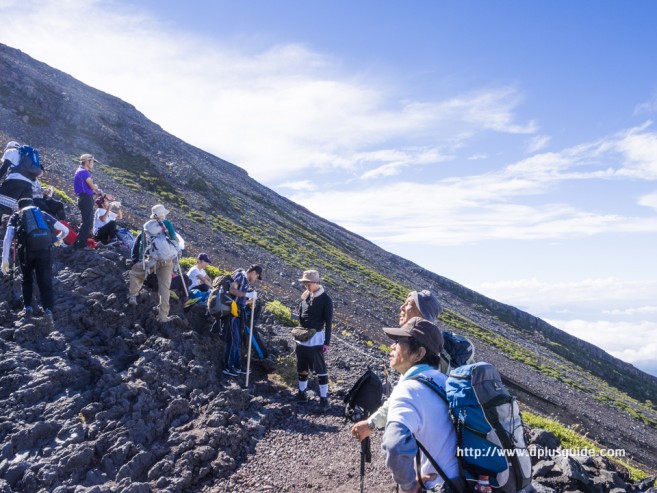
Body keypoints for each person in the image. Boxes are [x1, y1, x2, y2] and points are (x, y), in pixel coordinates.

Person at [380, 317, 460, 493]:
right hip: (461, 483)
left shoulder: (408, 390)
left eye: (399, 341)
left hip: (436, 486)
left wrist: (409, 486)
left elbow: (394, 446)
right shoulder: (447, 382)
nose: (392, 346)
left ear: (419, 354)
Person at [351, 290, 442, 441]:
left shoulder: (429, 355)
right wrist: (372, 423)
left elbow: (404, 397)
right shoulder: (428, 348)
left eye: (409, 304)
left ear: (423, 314)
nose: (402, 307)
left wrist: (372, 424)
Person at [1, 198, 69, 327]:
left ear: (19, 207)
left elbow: (8, 237)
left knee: (27, 279)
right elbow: (65, 230)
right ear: (32, 205)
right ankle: (48, 310)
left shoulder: (16, 216)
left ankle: (27, 308)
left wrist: (4, 260)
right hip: (45, 250)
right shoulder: (42, 213)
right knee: (45, 280)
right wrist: (57, 240)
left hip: (26, 252)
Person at [126, 204, 180, 323]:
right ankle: (163, 316)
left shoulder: (147, 226)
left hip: (153, 259)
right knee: (165, 288)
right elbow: (174, 240)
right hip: (167, 261)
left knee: (136, 273)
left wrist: (141, 259)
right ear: (162, 215)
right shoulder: (167, 224)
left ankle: (132, 295)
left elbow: (142, 244)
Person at [294, 269, 333, 412]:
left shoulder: (325, 300)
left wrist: (327, 342)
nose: (305, 285)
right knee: (302, 367)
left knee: (320, 369)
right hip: (302, 338)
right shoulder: (305, 297)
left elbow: (328, 323)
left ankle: (324, 398)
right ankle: (302, 393)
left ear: (316, 282)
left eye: (308, 283)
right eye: (304, 283)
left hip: (316, 339)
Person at [223, 264, 263, 377]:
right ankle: (228, 366)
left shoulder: (245, 281)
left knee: (238, 340)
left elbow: (241, 301)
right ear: (254, 272)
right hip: (231, 313)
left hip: (238, 312)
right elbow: (232, 290)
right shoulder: (240, 276)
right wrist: (248, 294)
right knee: (234, 339)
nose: (255, 279)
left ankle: (236, 366)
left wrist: (250, 301)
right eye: (257, 276)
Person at [0, 141, 41, 223]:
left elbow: (5, 166)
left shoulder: (11, 151)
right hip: (28, 185)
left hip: (14, 182)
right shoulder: (26, 155)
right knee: (26, 211)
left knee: (2, 206)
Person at [73, 153, 101, 249]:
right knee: (88, 221)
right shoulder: (84, 172)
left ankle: (77, 242)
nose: (93, 164)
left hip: (83, 198)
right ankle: (82, 244)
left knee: (86, 221)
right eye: (92, 162)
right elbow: (92, 186)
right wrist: (97, 190)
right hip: (86, 198)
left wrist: (94, 189)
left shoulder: (80, 171)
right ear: (87, 161)